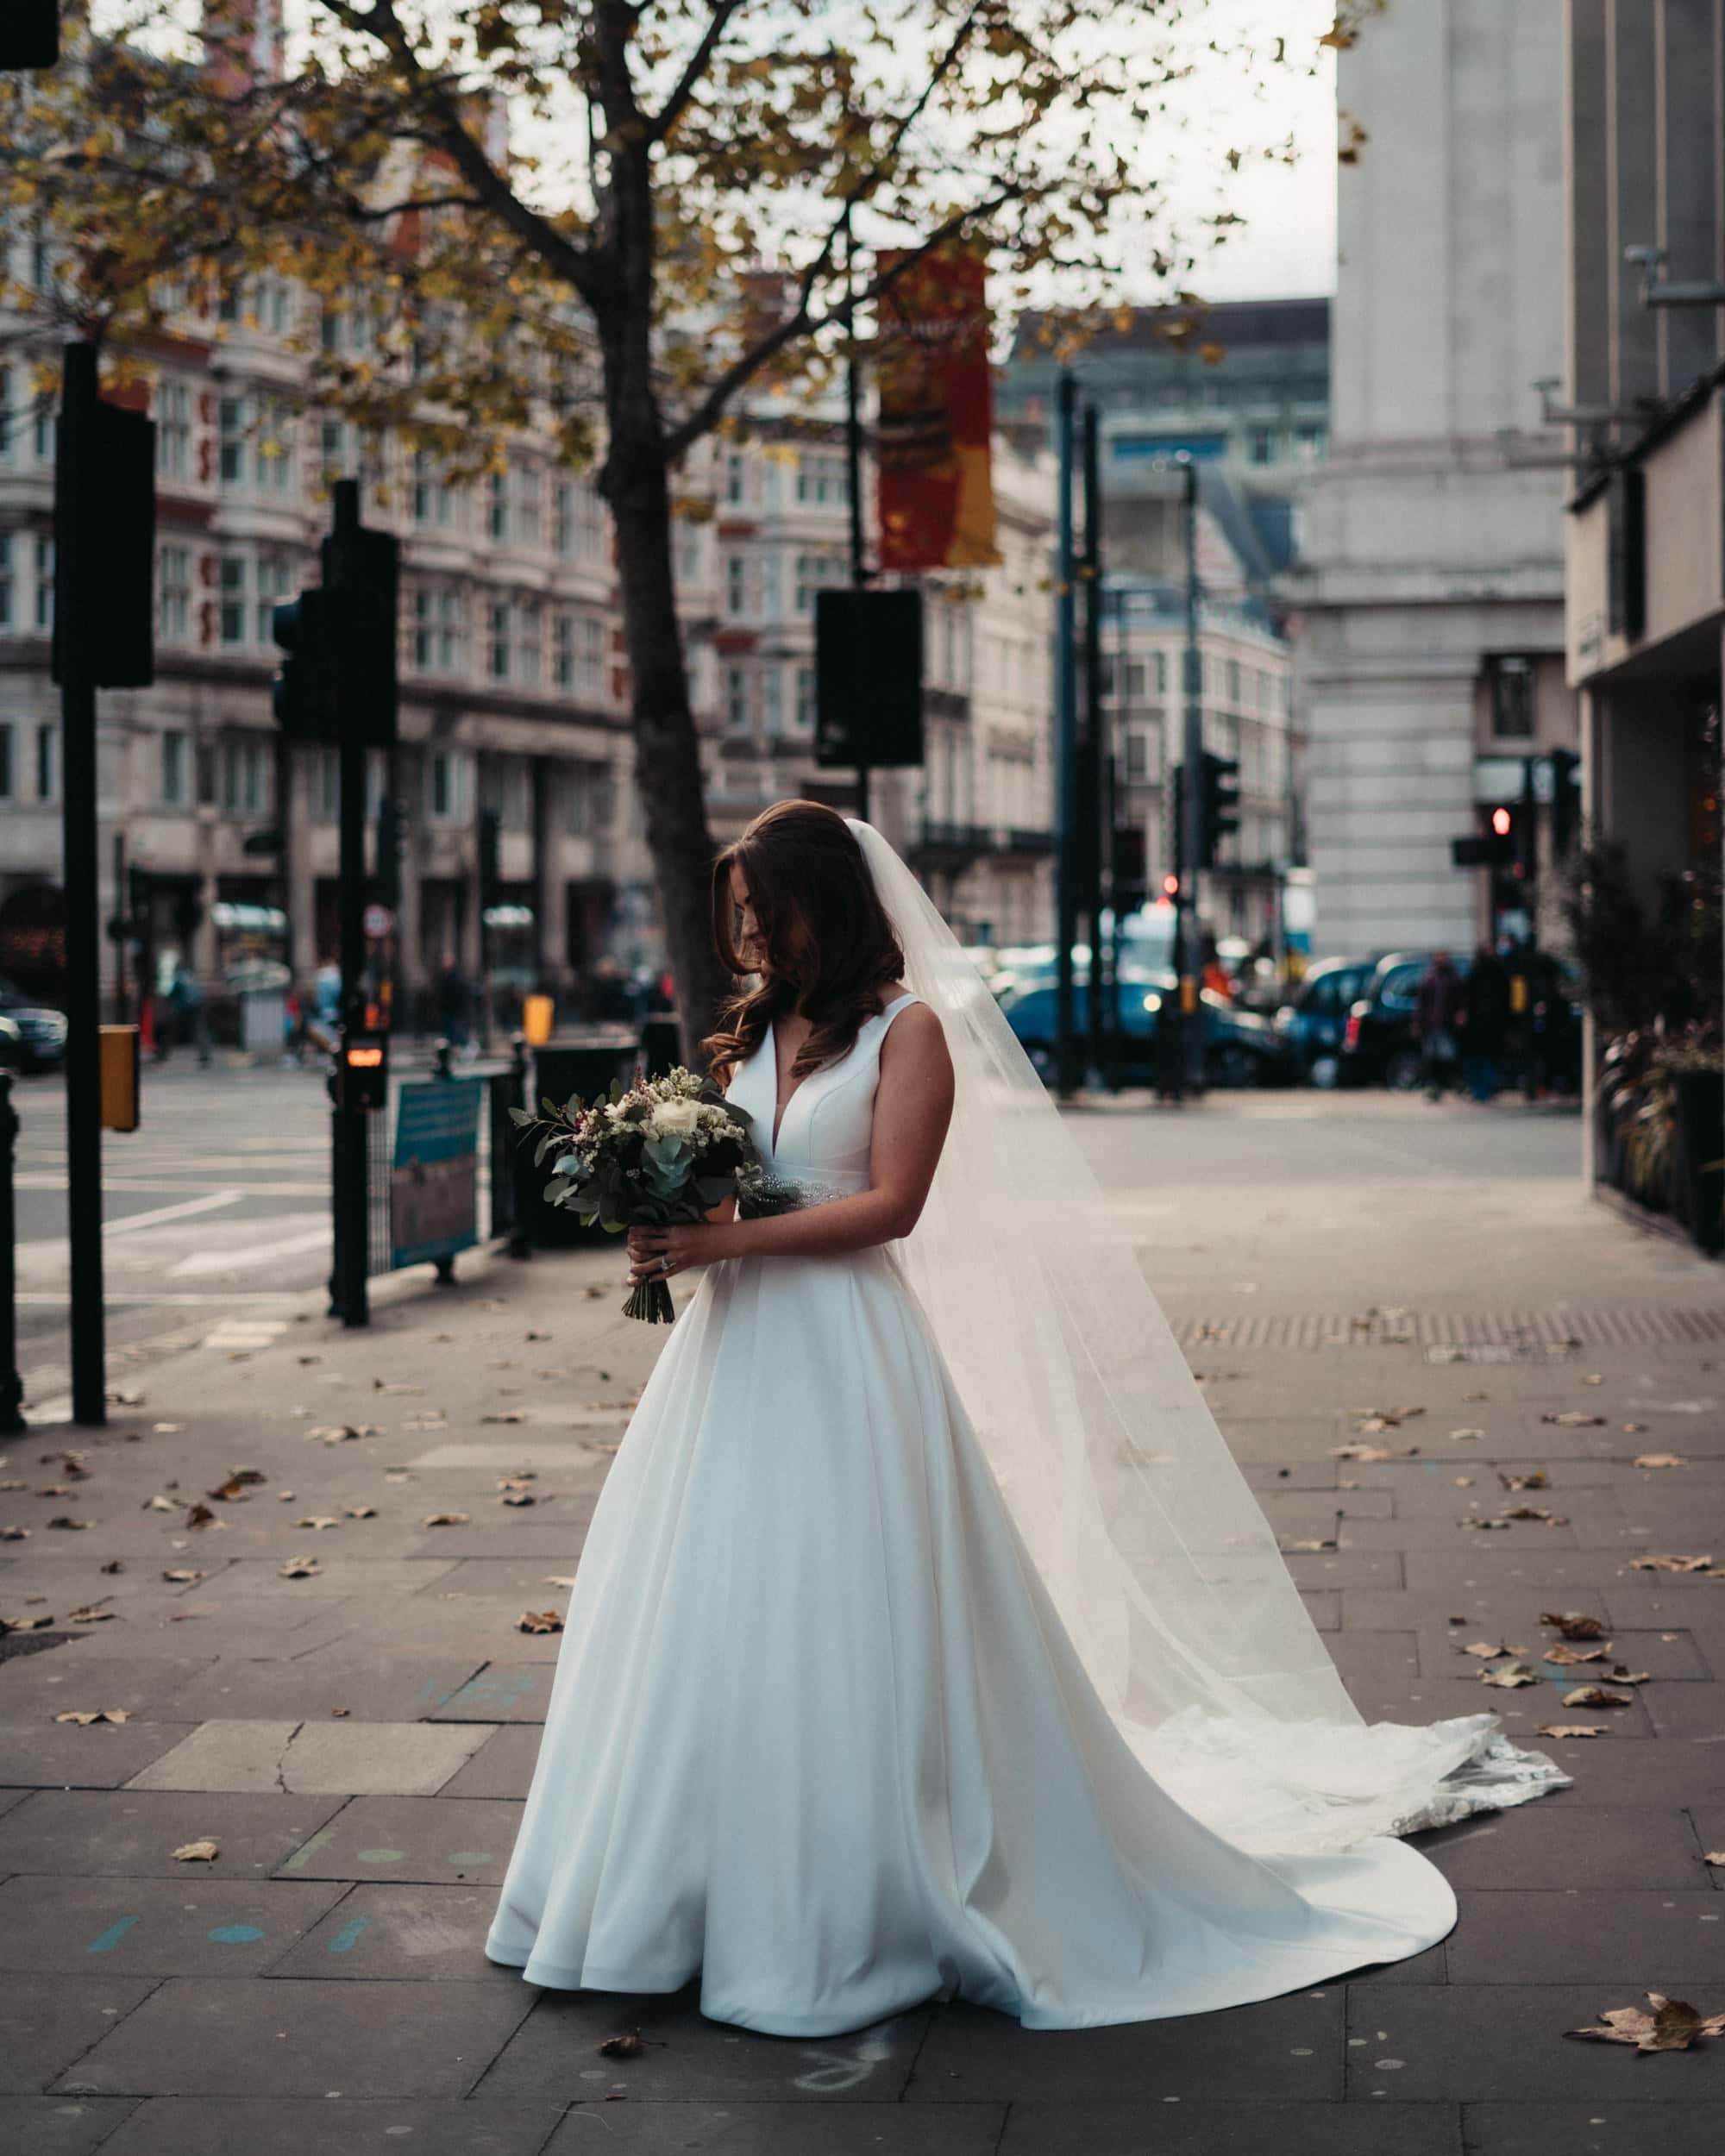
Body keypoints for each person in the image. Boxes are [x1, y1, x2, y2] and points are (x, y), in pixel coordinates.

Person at [484, 801, 1566, 2036]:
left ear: (822, 906)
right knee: (701, 1606)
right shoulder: (751, 1035)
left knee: (840, 1608)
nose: (748, 933)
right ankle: (676, 1894)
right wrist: (664, 1223)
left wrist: (730, 1237)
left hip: (848, 1352)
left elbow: (893, 1207)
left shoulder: (910, 1032)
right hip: (733, 1356)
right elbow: (737, 1184)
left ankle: (850, 1901)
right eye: (738, 915)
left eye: (763, 910)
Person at [1458, 941, 1511, 1101]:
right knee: (1487, 1058)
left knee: (1479, 1059)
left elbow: (1465, 997)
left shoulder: (1477, 972)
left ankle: (1480, 1090)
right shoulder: (1497, 971)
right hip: (1490, 1023)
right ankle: (1485, 1090)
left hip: (1479, 1024)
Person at [1414, 950, 1463, 1100]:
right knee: (1432, 1058)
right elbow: (1421, 1003)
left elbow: (1460, 999)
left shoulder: (1452, 978)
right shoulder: (1430, 978)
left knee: (1447, 1057)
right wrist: (1417, 1022)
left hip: (1445, 1024)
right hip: (1430, 1025)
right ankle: (1435, 1087)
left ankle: (1451, 1084)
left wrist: (1460, 1014)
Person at [435, 950, 470, 1048]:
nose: (444, 963)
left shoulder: (456, 976)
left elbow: (459, 994)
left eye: (447, 960)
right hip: (446, 1010)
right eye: (444, 960)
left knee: (455, 1034)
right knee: (449, 1035)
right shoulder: (444, 975)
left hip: (453, 1010)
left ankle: (467, 1046)